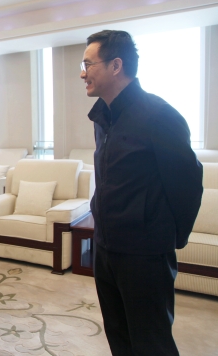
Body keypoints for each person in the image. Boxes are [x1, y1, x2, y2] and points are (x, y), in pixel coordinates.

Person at [81, 30, 203, 355]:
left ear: (116, 65)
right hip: (105, 247)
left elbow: (188, 185)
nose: (83, 73)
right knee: (118, 335)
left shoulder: (160, 116)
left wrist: (168, 238)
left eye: (88, 64)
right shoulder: (102, 116)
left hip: (144, 254)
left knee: (151, 343)